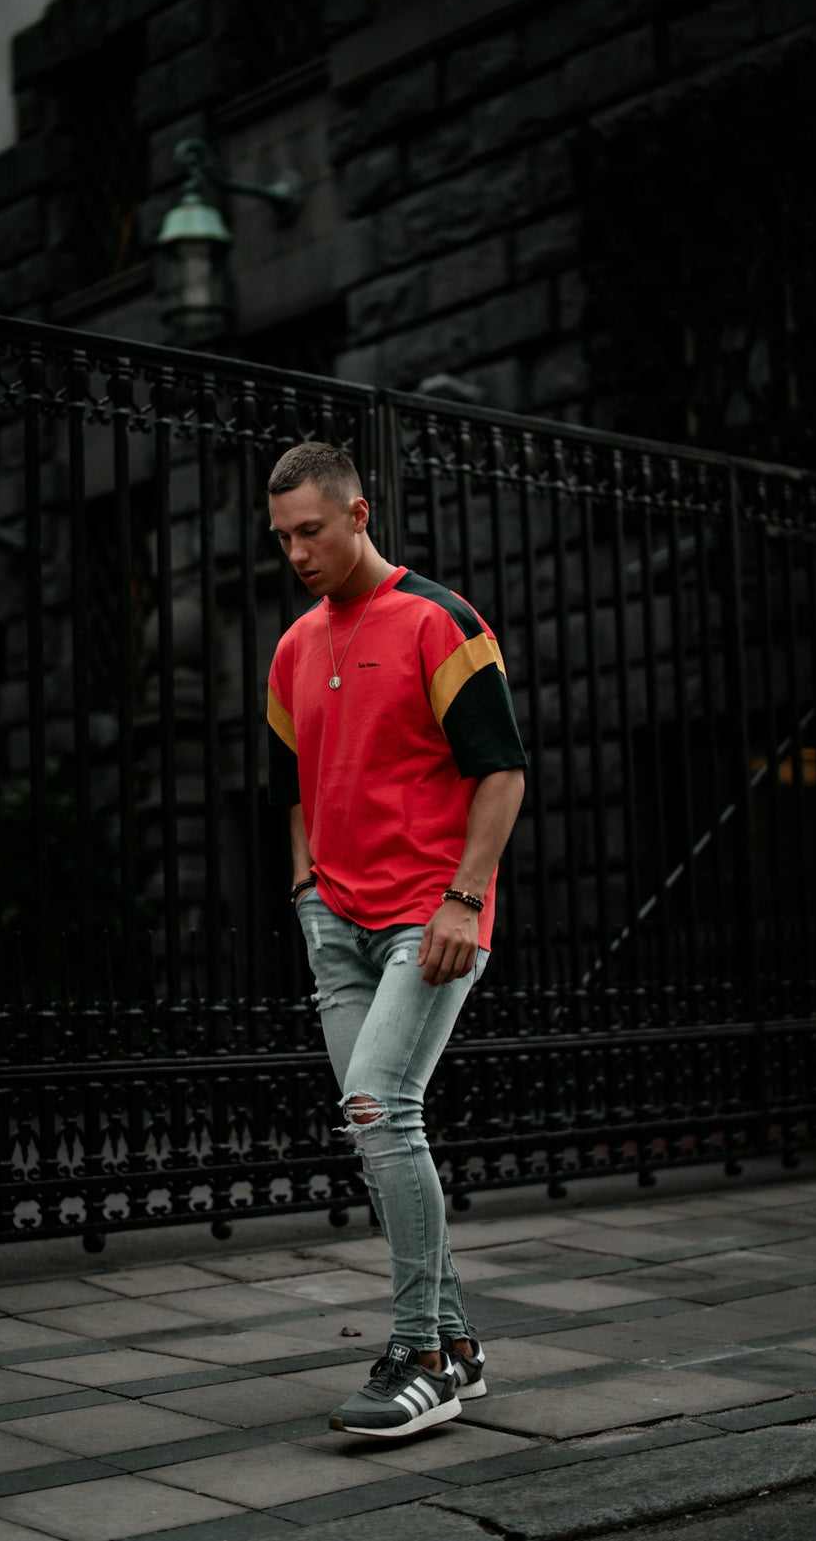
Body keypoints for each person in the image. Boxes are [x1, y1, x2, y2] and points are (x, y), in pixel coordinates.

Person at [266, 440, 527, 1439]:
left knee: (381, 1105)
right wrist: (305, 893)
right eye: (282, 536)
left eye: (311, 530)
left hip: (430, 915)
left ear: (358, 514)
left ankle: (418, 1353)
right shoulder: (294, 645)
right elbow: (290, 786)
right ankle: (455, 1344)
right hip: (336, 920)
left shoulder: (437, 621)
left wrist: (464, 898)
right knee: (377, 1139)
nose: (295, 551)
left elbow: (499, 770)